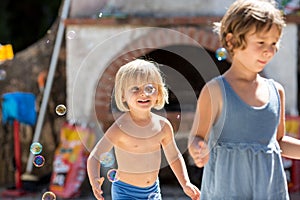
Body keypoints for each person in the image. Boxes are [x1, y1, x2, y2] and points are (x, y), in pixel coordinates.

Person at [188, 0, 300, 199]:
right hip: (226, 192)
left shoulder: (277, 91)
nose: (269, 50)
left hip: (269, 192)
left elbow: (278, 141)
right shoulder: (216, 90)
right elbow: (197, 137)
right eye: (261, 43)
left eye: (274, 43)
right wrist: (198, 149)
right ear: (231, 41)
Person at [87, 59, 200, 200]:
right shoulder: (120, 128)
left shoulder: (162, 126)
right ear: (122, 95)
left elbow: (174, 156)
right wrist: (95, 180)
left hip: (152, 191)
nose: (143, 94)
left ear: (158, 92)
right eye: (135, 89)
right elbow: (95, 156)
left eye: (149, 88)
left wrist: (186, 183)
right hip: (125, 192)